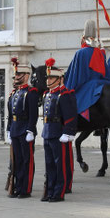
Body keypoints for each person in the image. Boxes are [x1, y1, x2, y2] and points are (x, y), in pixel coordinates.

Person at [41, 58, 77, 202]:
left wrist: (68, 132)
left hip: (59, 133)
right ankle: (50, 191)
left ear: (60, 79)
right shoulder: (47, 95)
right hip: (48, 132)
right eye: (48, 77)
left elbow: (70, 115)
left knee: (59, 164)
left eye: (52, 78)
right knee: (49, 164)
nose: (48, 80)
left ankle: (59, 192)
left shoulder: (65, 95)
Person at [64, 19, 110, 119]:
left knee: (70, 100)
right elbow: (105, 72)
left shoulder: (81, 52)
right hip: (100, 83)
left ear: (83, 38)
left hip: (88, 84)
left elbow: (76, 75)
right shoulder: (99, 52)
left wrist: (68, 86)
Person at [7, 57, 38, 198]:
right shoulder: (14, 93)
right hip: (15, 129)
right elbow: (10, 113)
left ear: (26, 76)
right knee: (17, 160)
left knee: (27, 160)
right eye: (16, 75)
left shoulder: (30, 93)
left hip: (25, 129)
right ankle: (18, 187)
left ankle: (26, 189)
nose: (17, 77)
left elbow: (33, 113)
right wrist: (9, 129)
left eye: (19, 75)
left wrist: (31, 130)